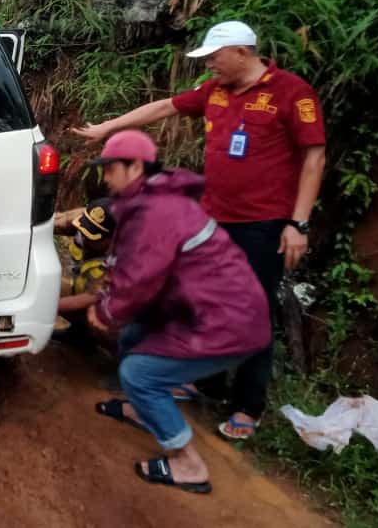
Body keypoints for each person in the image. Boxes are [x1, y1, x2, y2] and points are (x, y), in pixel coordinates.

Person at [72, 20, 326, 440]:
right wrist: (108, 128)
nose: (210, 65)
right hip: (212, 220)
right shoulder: (215, 91)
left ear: (242, 52)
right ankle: (203, 380)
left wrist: (297, 223)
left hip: (263, 225)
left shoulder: (292, 93)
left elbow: (314, 159)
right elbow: (163, 108)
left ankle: (248, 405)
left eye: (215, 57)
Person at [84, 130, 270, 493]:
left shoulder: (157, 211)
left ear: (136, 166)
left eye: (110, 168)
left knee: (139, 373)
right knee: (136, 333)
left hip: (226, 323)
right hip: (206, 309)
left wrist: (105, 312)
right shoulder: (152, 201)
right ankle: (143, 410)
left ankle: (188, 462)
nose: (105, 177)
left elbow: (140, 280)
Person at [53, 200, 116, 333]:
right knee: (44, 287)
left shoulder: (127, 261)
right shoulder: (86, 222)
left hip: (106, 307)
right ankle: (78, 333)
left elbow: (90, 297)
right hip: (81, 287)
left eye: (92, 236)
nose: (84, 237)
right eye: (83, 229)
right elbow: (57, 221)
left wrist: (44, 307)